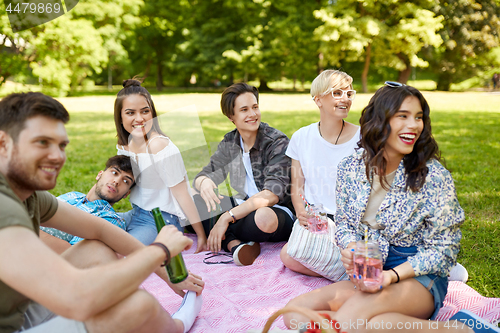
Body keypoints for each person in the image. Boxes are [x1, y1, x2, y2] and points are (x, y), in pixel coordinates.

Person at [0, 92, 204, 333]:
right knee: (138, 307)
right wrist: (159, 252)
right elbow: (81, 298)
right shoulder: (5, 208)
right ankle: (176, 327)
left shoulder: (29, 194)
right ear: (3, 144)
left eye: (61, 145)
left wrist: (165, 273)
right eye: (42, 142)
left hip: (19, 307)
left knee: (97, 248)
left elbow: (99, 229)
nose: (57, 156)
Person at [282, 82, 476, 332]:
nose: (414, 125)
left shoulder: (433, 176)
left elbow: (445, 249)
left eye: (418, 117)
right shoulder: (350, 168)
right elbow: (344, 225)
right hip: (372, 271)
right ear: (379, 121)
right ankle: (455, 329)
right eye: (402, 116)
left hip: (416, 275)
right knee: (295, 313)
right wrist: (352, 249)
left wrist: (391, 276)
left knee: (349, 322)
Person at [191, 82, 294, 266]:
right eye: (244, 109)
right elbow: (203, 175)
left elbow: (270, 195)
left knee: (264, 217)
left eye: (255, 107)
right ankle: (235, 244)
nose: (253, 114)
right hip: (243, 207)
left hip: (277, 212)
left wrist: (226, 217)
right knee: (193, 202)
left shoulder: (277, 142)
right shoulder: (231, 142)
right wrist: (204, 182)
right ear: (231, 116)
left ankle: (226, 237)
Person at [280, 69, 360, 279]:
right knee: (288, 256)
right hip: (318, 219)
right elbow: (297, 185)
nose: (345, 99)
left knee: (346, 252)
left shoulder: (363, 138)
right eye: (337, 93)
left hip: (350, 222)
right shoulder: (301, 137)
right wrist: (300, 211)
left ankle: (348, 269)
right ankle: (347, 274)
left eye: (349, 94)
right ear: (318, 100)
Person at [114, 79, 208, 251]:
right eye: (130, 113)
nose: (139, 118)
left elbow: (183, 194)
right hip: (136, 213)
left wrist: (200, 235)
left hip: (163, 220)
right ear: (120, 117)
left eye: (145, 111)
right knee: (94, 231)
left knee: (122, 251)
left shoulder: (158, 146)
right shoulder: (124, 146)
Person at [40, 155, 136, 254]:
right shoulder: (72, 195)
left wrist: (29, 228)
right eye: (114, 172)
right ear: (99, 175)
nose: (116, 181)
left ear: (127, 194)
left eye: (126, 181)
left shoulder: (111, 220)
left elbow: (73, 255)